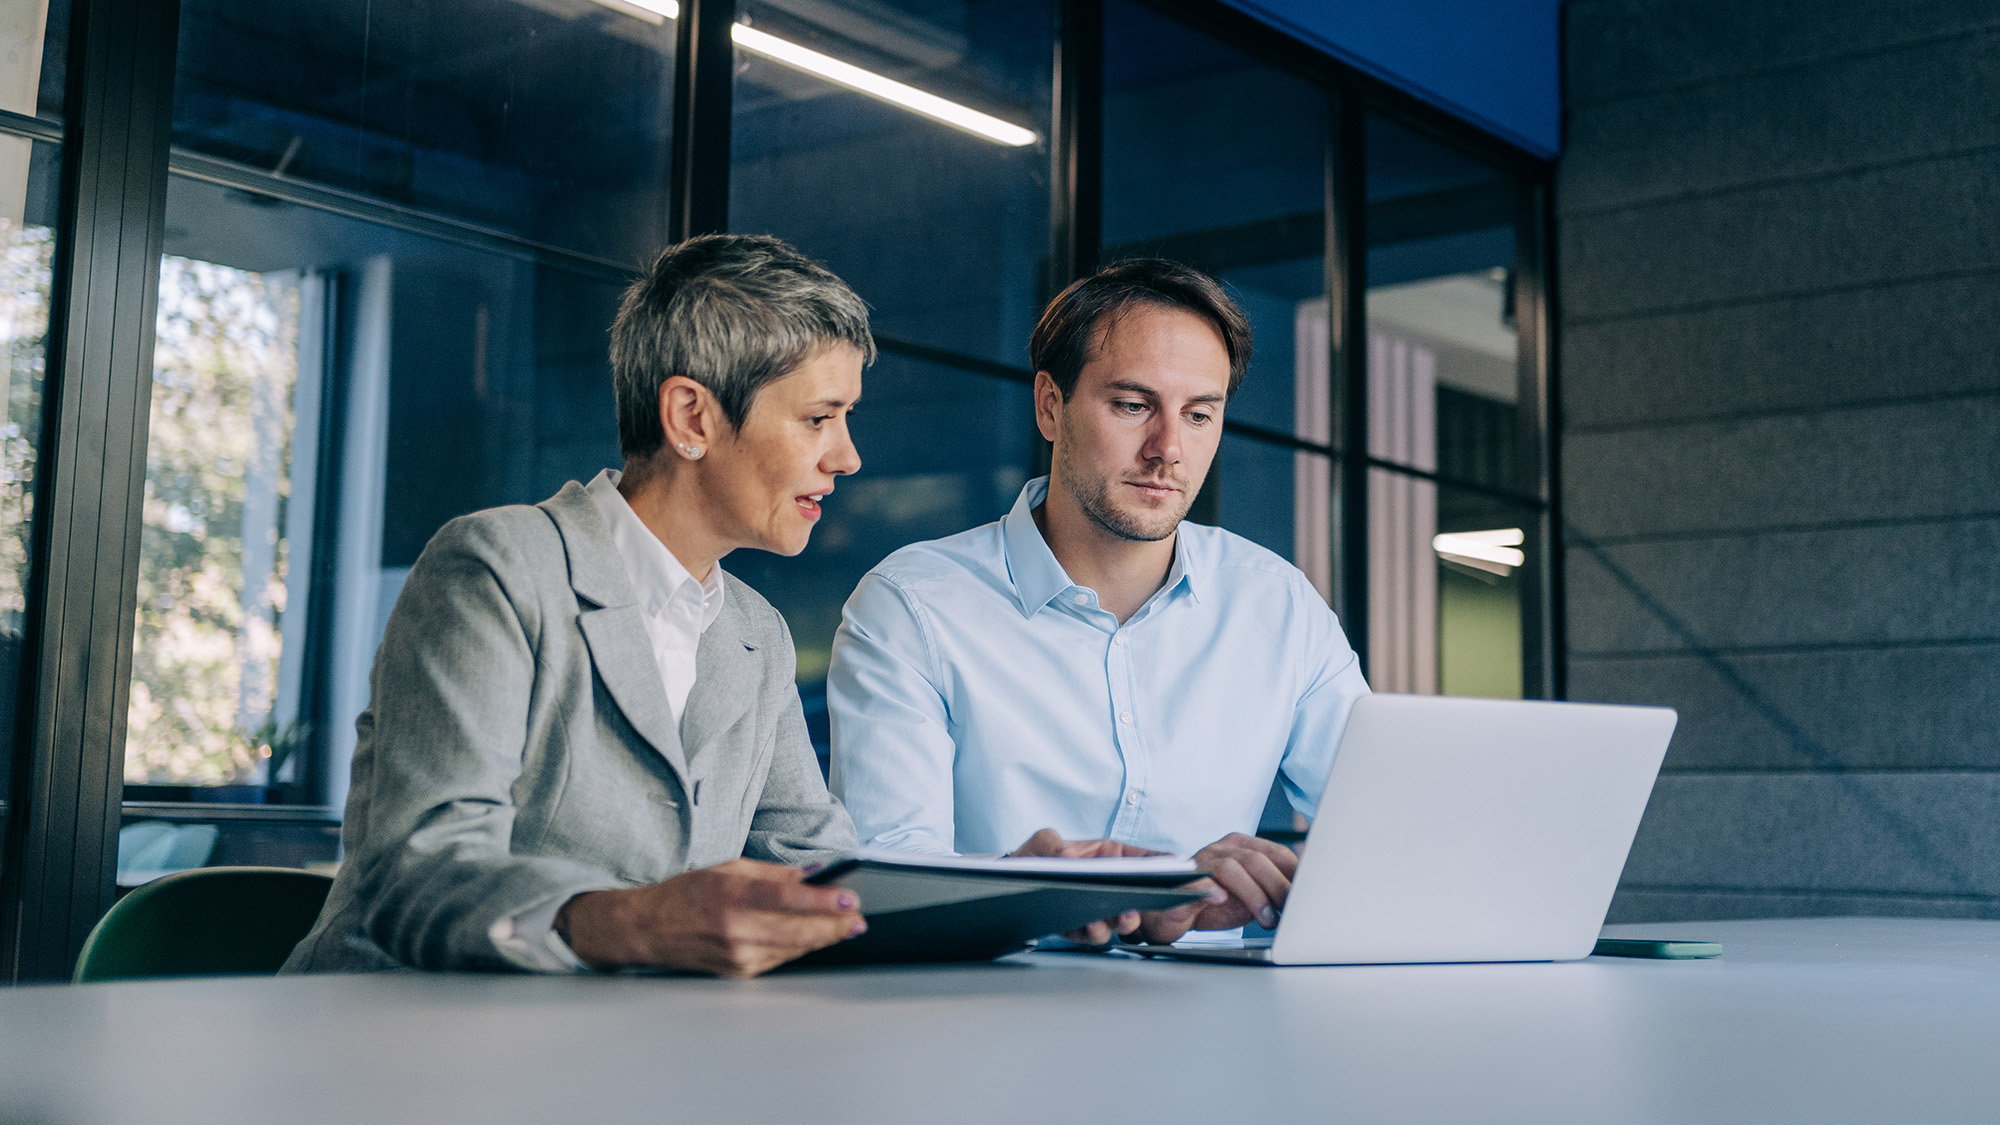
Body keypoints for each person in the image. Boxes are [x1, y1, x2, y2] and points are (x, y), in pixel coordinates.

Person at [286, 234, 873, 978]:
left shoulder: (758, 632)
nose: (847, 457)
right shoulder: (497, 569)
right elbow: (423, 869)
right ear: (692, 418)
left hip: (637, 1038)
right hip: (407, 1030)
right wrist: (639, 921)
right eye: (819, 419)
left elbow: (823, 871)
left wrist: (991, 891)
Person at [827, 259, 1370, 945]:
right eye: (1133, 406)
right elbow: (886, 886)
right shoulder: (913, 606)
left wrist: (1287, 889)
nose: (1168, 449)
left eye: (1199, 415)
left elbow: (1387, 830)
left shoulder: (1278, 603)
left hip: (1222, 1007)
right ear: (1050, 406)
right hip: (991, 1001)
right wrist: (1051, 892)